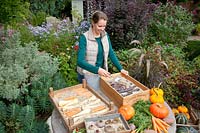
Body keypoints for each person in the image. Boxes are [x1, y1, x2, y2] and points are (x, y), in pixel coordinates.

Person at [77, 10, 128, 92]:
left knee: (102, 94)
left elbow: (110, 52)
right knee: (91, 98)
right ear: (93, 23)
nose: (102, 29)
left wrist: (121, 69)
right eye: (100, 26)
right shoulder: (84, 38)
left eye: (104, 26)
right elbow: (80, 61)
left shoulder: (105, 35)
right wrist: (97, 70)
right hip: (87, 74)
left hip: (101, 73)